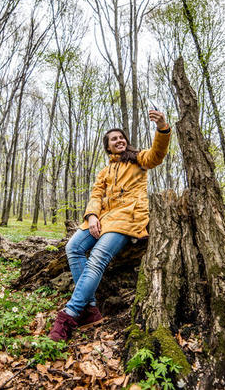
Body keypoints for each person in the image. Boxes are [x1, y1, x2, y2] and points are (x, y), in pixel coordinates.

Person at [49, 110, 171, 341]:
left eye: (121, 137)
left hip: (128, 217)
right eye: (114, 139)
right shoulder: (104, 172)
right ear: (108, 147)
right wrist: (92, 216)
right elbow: (96, 195)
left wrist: (162, 127)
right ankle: (91, 308)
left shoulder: (138, 159)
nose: (119, 140)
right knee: (73, 247)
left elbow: (157, 154)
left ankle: (70, 314)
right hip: (103, 218)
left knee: (97, 256)